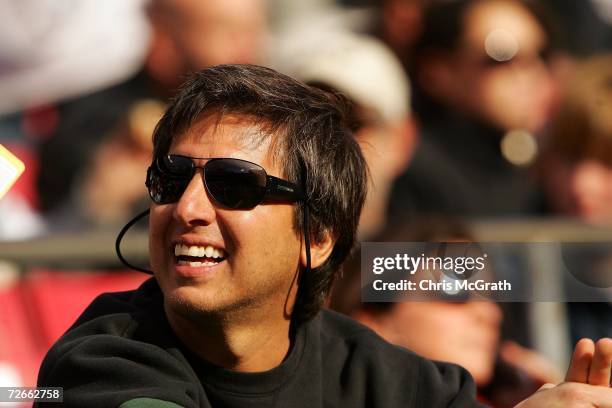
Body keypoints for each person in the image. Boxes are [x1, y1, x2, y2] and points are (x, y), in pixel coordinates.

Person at [36, 65, 612, 407]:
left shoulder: (394, 379)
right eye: (171, 178)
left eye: (233, 186)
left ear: (318, 237)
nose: (187, 207)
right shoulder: (100, 365)